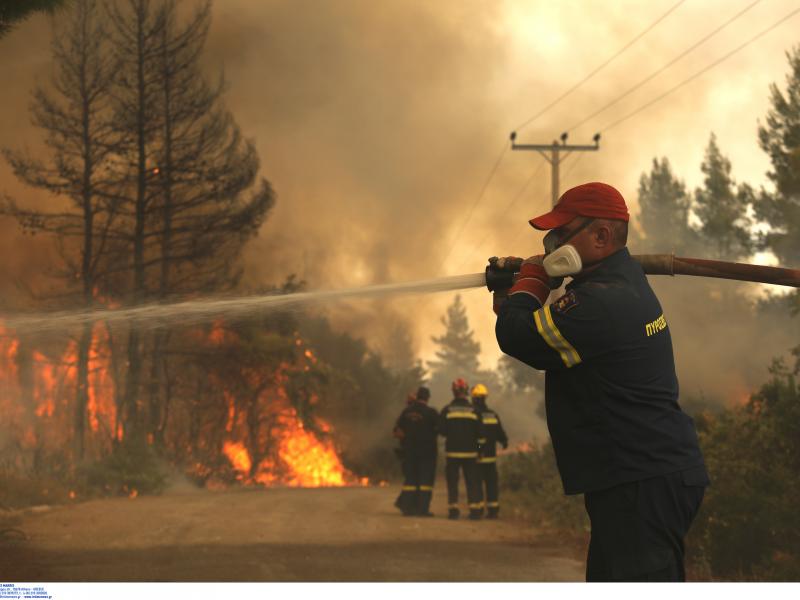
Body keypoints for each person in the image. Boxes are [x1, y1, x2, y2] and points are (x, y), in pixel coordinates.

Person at [492, 182, 709, 581]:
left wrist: (531, 282)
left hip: (642, 481)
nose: (550, 244)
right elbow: (528, 328)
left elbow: (518, 336)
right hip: (643, 475)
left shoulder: (600, 303)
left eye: (560, 234)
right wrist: (514, 291)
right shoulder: (617, 284)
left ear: (601, 235)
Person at [439, 378, 484, 520]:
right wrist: (478, 450)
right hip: (471, 454)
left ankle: (454, 510)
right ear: (466, 391)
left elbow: (442, 431)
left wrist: (453, 434)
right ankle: (475, 511)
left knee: (452, 482)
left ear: (453, 392)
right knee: (472, 482)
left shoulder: (447, 410)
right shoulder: (474, 411)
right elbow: (481, 436)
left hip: (452, 453)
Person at [392, 386, 439, 516]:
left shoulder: (407, 412)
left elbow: (396, 431)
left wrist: (407, 440)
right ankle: (422, 510)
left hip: (409, 453)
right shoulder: (431, 413)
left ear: (417, 396)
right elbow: (441, 429)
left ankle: (407, 508)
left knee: (411, 480)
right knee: (425, 482)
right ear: (428, 398)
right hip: (427, 454)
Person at [470, 383, 508, 519]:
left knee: (477, 483)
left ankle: (477, 511)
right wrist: (504, 442)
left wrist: (479, 451)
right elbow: (500, 433)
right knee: (491, 484)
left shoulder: (474, 414)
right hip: (491, 457)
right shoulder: (492, 414)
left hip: (479, 456)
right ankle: (493, 511)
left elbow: (479, 437)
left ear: (474, 398)